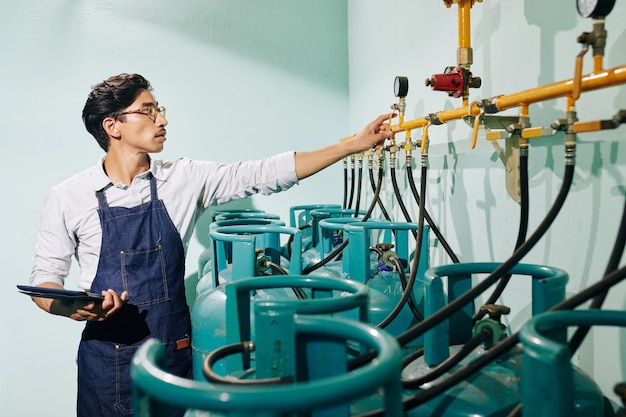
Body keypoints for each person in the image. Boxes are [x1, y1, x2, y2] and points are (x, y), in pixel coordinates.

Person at [27, 73, 393, 417]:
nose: (162, 120)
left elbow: (263, 173)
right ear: (113, 126)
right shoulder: (68, 197)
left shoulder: (182, 178)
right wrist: (71, 308)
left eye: (160, 110)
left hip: (174, 351)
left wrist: (353, 145)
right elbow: (44, 281)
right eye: (148, 110)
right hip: (107, 363)